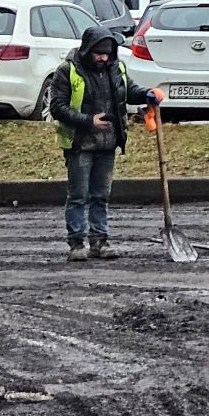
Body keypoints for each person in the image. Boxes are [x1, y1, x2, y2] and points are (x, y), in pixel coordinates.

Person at [48, 27, 161, 261]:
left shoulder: (116, 67)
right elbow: (57, 107)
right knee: (78, 195)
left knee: (101, 195)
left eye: (107, 53)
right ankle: (77, 243)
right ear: (88, 50)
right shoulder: (67, 71)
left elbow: (128, 91)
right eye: (99, 53)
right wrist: (88, 121)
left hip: (108, 143)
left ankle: (100, 241)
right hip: (80, 144)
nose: (103, 58)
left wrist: (147, 94)